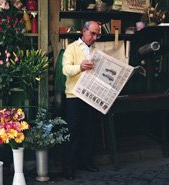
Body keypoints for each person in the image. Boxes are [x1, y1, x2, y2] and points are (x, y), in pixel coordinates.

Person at [62, 21, 101, 180]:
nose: (95, 37)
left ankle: (86, 162)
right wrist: (80, 67)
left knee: (90, 131)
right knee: (73, 133)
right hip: (74, 96)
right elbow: (65, 69)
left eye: (97, 34)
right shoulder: (72, 48)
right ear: (84, 31)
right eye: (92, 33)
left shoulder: (97, 50)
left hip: (91, 96)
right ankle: (69, 169)